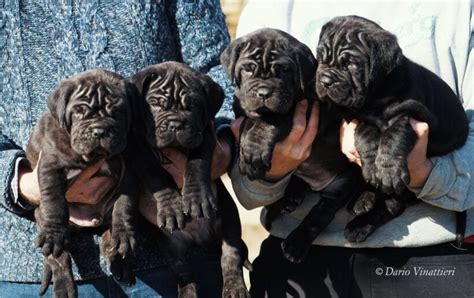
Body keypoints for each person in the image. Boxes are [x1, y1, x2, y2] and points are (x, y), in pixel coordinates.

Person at [229, 0, 474, 297]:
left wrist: (423, 173)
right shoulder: (271, 8)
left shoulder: (460, 8)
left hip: (432, 257)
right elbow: (246, 190)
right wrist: (274, 170)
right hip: (299, 263)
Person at [0, 0, 234, 296]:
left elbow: (218, 71)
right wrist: (24, 186)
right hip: (26, 267)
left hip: (171, 250)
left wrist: (220, 144)